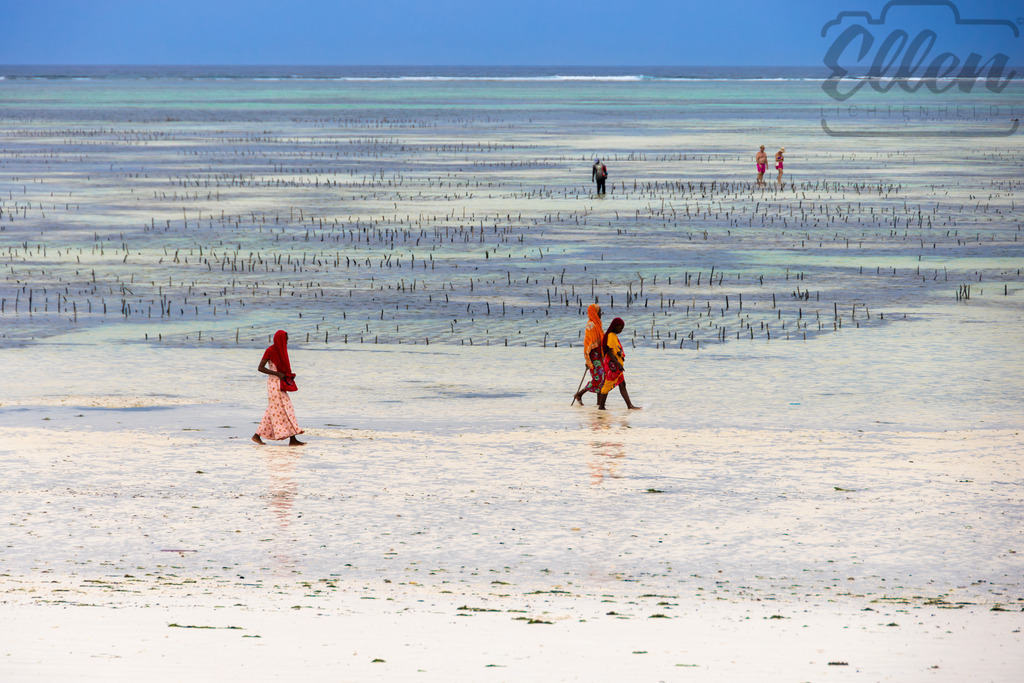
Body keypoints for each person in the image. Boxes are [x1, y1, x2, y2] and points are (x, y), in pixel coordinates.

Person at [252, 330, 305, 446]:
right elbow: (260, 368)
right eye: (285, 339)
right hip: (273, 384)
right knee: (286, 408)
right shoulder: (270, 350)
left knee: (275, 410)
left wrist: (288, 376)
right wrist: (277, 374)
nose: (287, 341)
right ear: (280, 339)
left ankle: (257, 435)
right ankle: (292, 439)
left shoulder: (283, 351)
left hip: (280, 382)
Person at [596, 317, 641, 410]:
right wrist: (618, 364)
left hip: (614, 365)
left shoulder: (613, 335)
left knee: (622, 384)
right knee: (607, 384)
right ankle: (601, 406)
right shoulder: (611, 335)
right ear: (615, 326)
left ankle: (629, 405)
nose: (621, 331)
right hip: (612, 365)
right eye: (620, 328)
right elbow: (609, 351)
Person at [573, 304, 605, 405]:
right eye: (599, 312)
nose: (600, 314)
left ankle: (599, 403)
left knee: (602, 378)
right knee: (598, 379)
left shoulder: (598, 324)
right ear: (594, 313)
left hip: (599, 355)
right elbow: (589, 343)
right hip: (594, 356)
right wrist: (589, 360)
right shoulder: (591, 325)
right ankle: (580, 394)